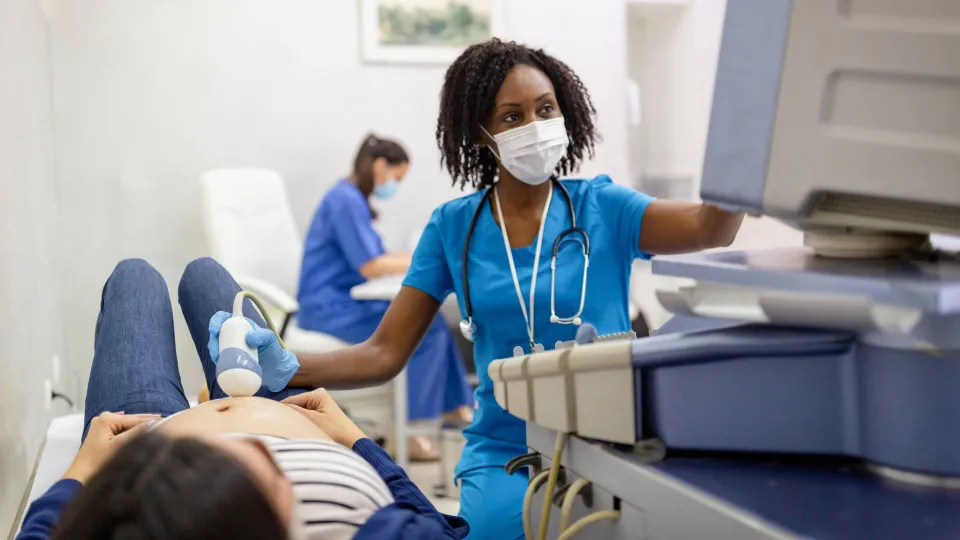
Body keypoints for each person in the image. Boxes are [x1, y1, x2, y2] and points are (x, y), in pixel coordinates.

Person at [254, 39, 744, 539]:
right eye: (512, 117)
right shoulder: (453, 227)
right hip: (505, 454)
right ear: (482, 133)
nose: (534, 127)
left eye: (545, 109)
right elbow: (383, 353)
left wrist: (743, 127)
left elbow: (712, 229)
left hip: (613, 445)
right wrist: (287, 364)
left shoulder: (606, 207)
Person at [16, 258, 468, 540]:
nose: (249, 453)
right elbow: (435, 527)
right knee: (204, 275)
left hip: (142, 445)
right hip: (288, 417)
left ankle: (202, 393)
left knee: (136, 277)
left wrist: (83, 471)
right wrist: (353, 438)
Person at [297, 134, 474, 460]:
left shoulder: (351, 199)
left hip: (343, 301)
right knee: (422, 326)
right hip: (328, 308)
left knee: (429, 318)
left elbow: (377, 256)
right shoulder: (345, 200)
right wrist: (430, 256)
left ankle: (455, 407)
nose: (395, 186)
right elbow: (371, 264)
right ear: (380, 166)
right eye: (396, 177)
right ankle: (414, 428)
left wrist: (421, 255)